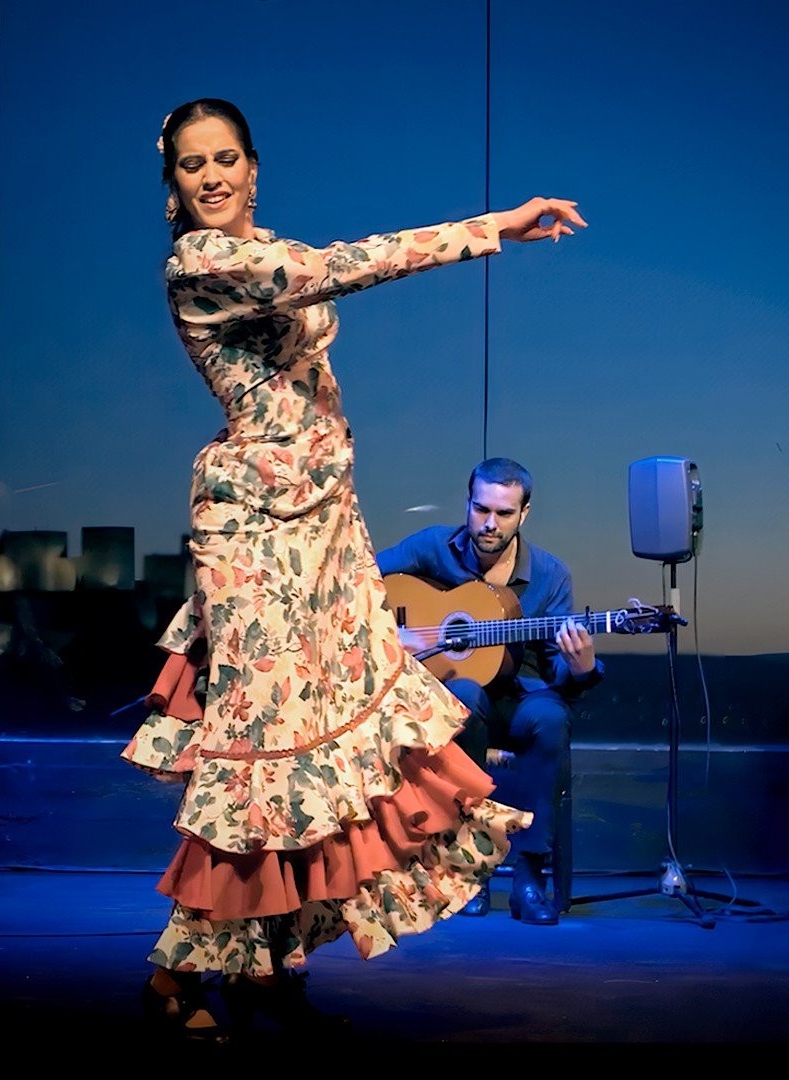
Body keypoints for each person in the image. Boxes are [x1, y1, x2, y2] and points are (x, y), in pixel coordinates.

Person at [119, 98, 585, 1042]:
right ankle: (182, 971)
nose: (208, 178)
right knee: (261, 751)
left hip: (326, 529)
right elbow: (344, 268)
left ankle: (269, 962)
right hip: (257, 532)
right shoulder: (204, 264)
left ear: (254, 167)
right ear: (172, 185)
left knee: (326, 756)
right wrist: (490, 226)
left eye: (225, 160)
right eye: (189, 165)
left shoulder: (259, 245)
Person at [375, 457, 603, 926]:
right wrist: (392, 636)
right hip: (459, 698)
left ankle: (528, 875)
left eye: (503, 513)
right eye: (481, 510)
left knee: (552, 717)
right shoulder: (432, 548)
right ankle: (468, 870)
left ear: (524, 514)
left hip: (521, 699)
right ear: (468, 502)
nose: (489, 523)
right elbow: (361, 580)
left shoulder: (549, 575)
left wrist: (580, 668)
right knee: (464, 694)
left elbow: (558, 667)